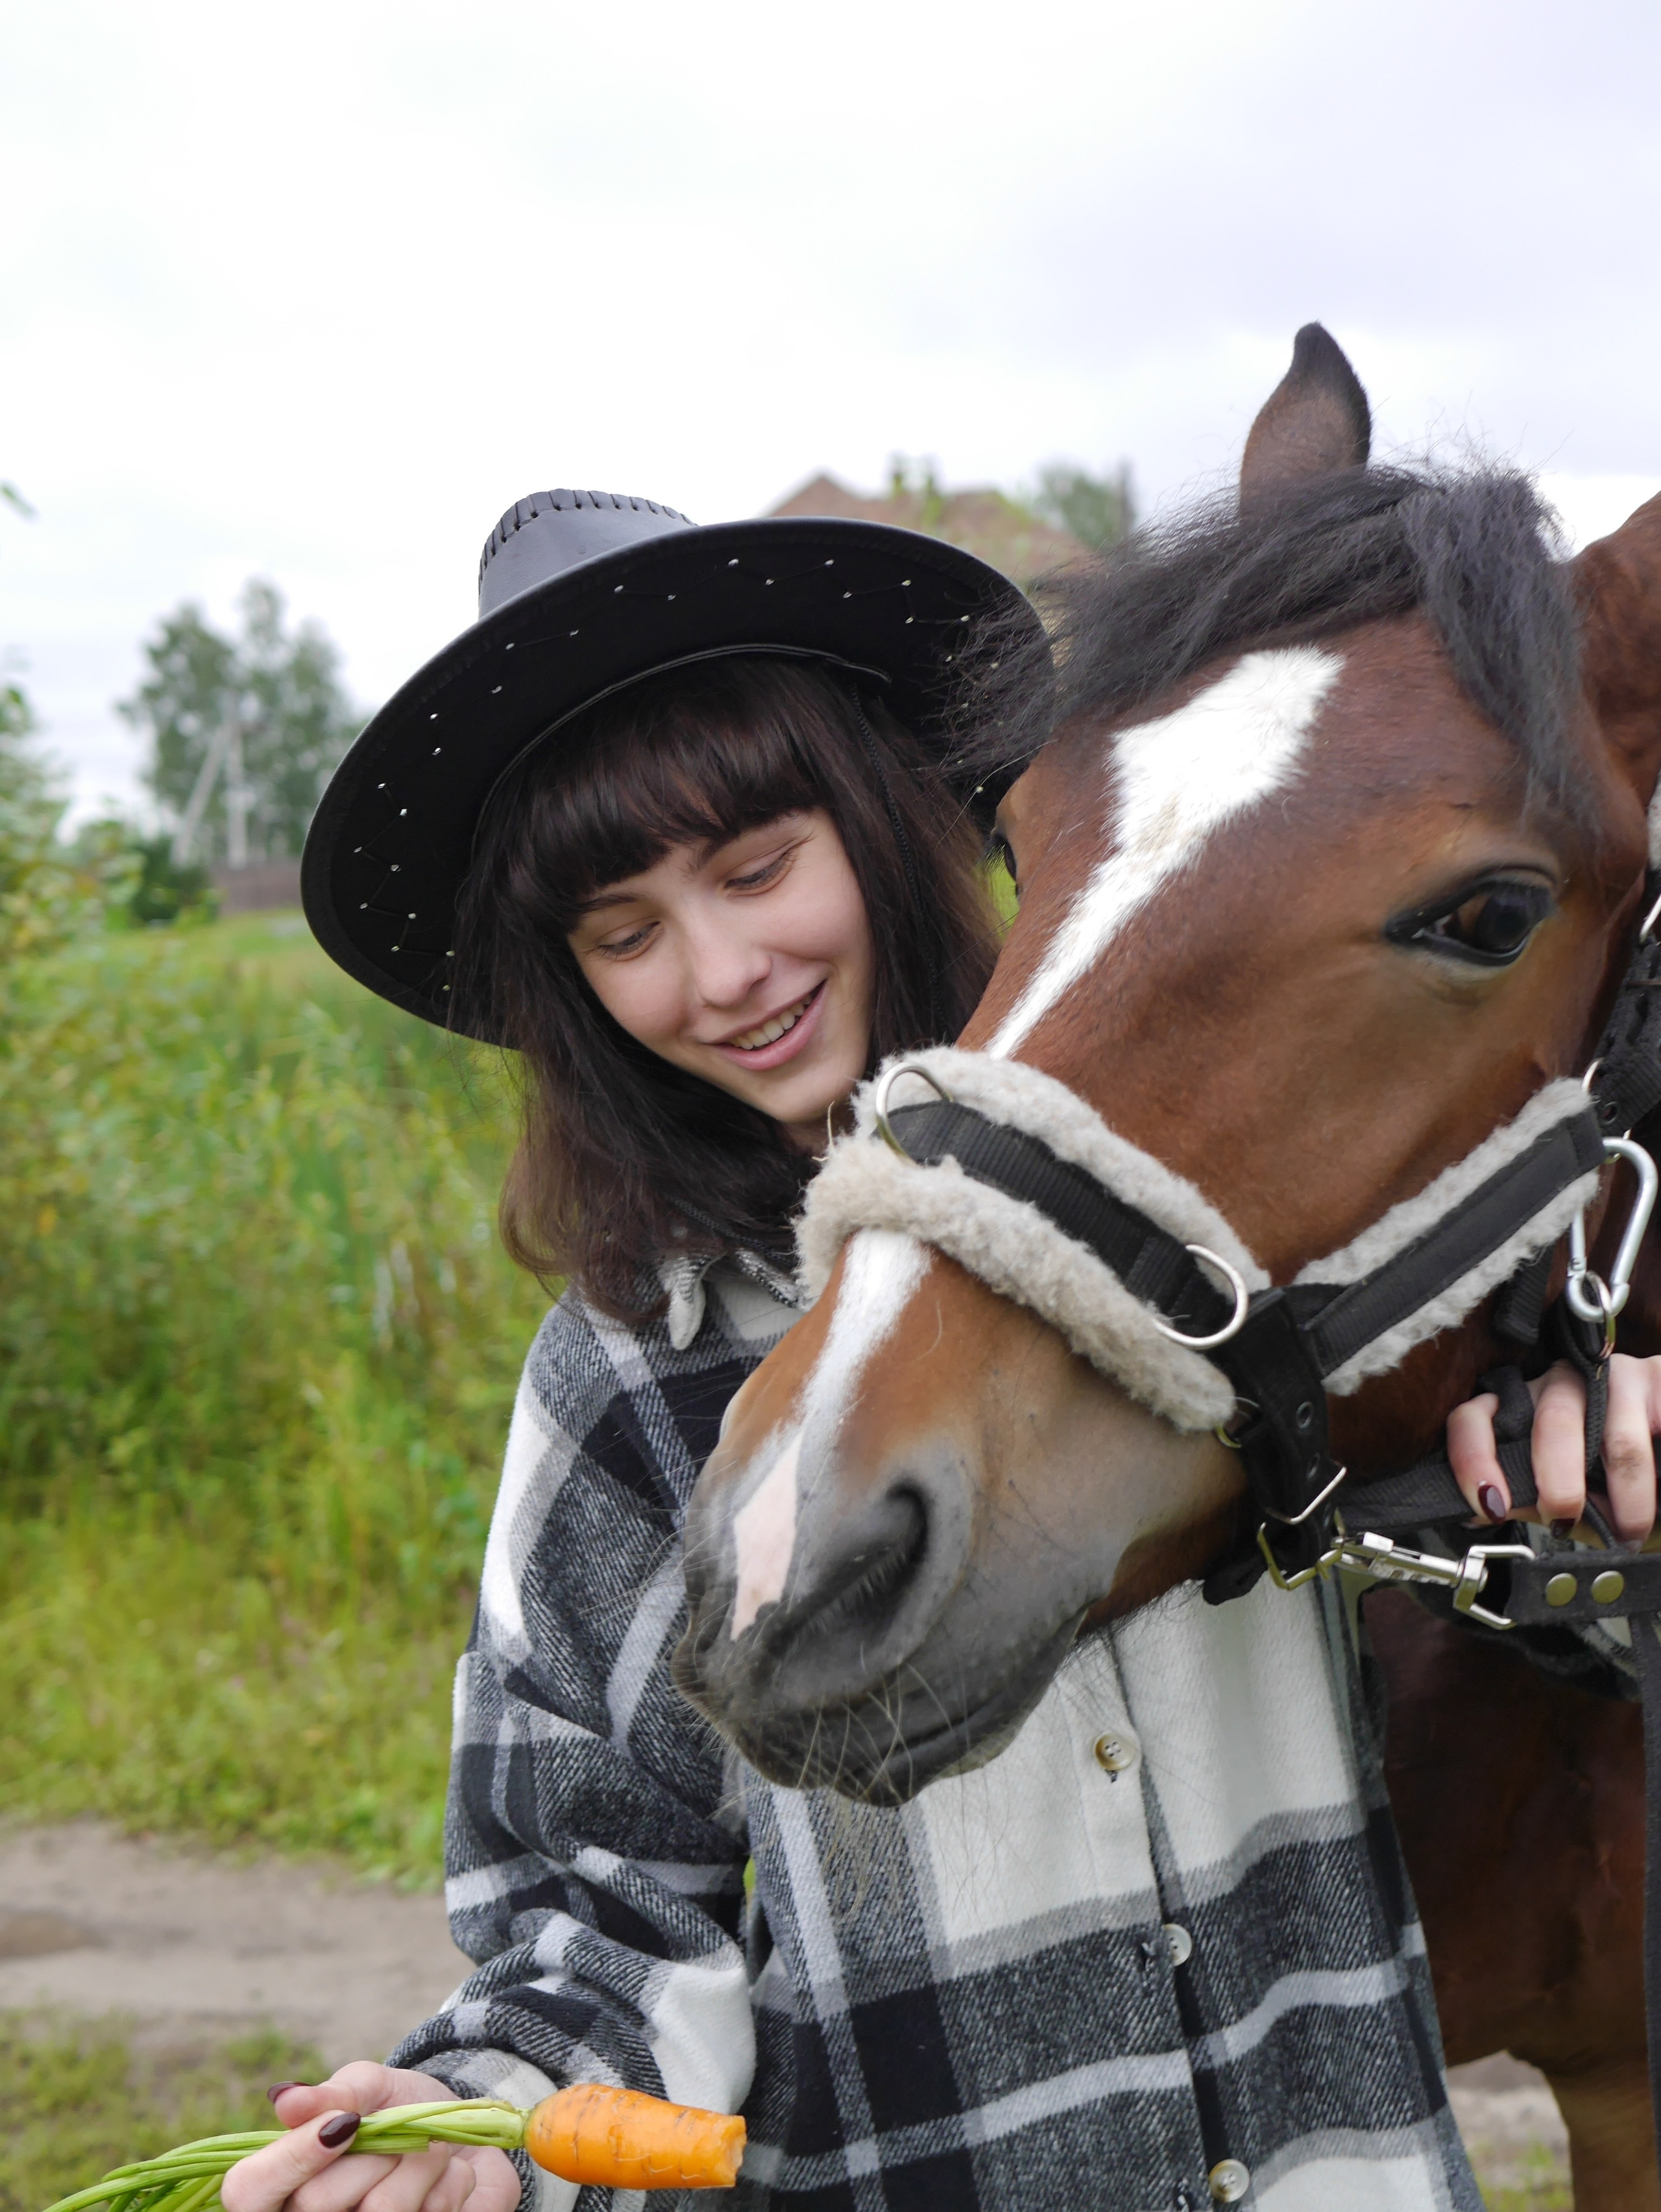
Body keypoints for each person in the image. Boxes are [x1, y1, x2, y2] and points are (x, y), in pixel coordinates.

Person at [224, 487, 1660, 2212]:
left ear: (892, 823)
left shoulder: (1214, 1238)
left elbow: (1448, 1559)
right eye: (625, 932)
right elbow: (594, 1891)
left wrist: (1565, 1416)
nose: (726, 971)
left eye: (760, 868)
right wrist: (488, 2117)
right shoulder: (626, 1380)